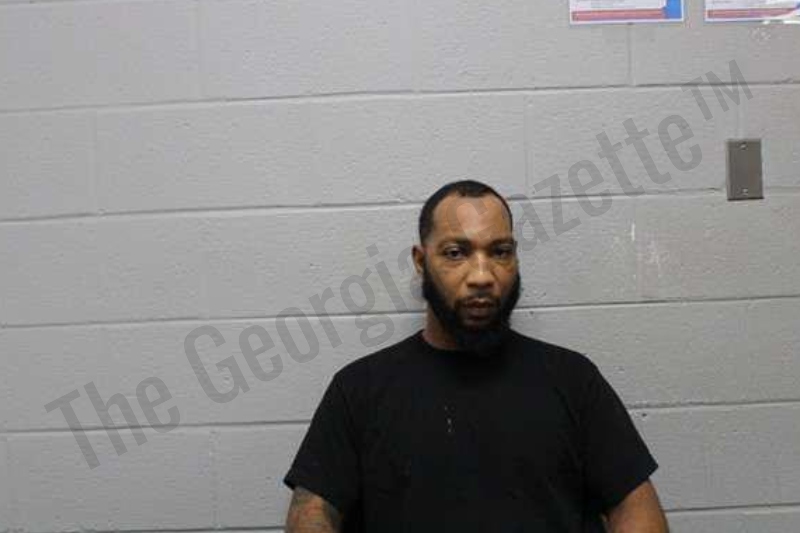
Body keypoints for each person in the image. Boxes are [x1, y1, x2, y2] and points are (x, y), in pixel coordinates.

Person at [283, 180, 669, 532]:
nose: (482, 275)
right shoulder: (360, 390)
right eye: (456, 253)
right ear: (421, 262)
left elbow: (635, 509)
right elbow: (312, 512)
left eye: (500, 252)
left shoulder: (572, 379)